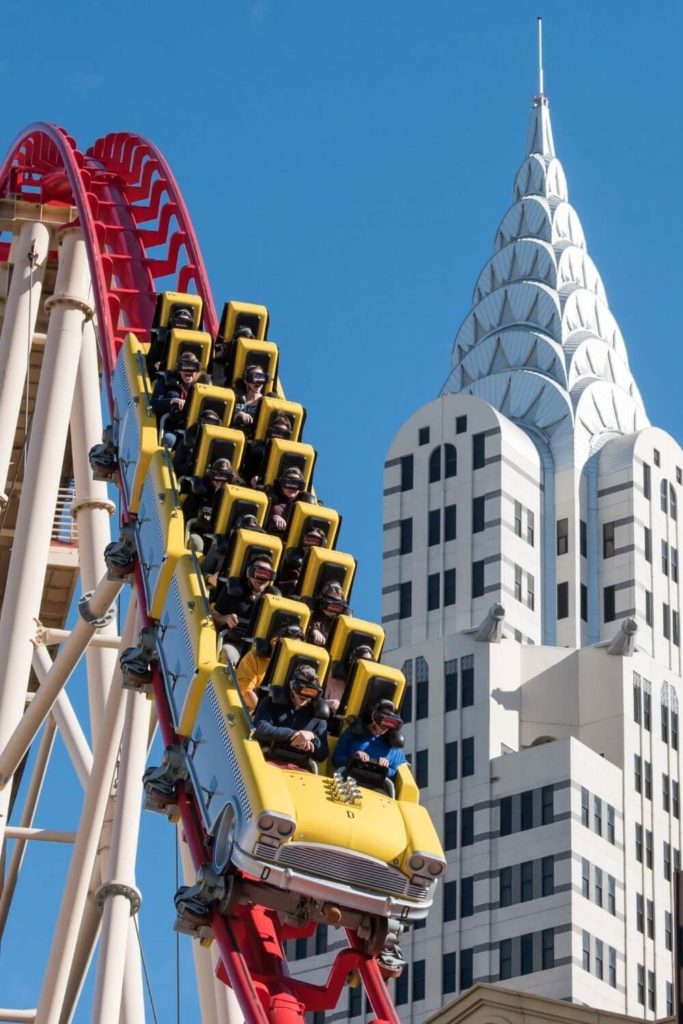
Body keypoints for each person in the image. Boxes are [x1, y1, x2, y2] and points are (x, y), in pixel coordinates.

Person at [253, 664, 328, 766]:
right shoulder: (270, 703)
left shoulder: (317, 716)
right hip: (267, 761)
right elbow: (260, 729)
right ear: (291, 684)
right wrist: (294, 735)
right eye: (302, 687)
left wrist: (312, 737)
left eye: (310, 691)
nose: (304, 695)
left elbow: (323, 754)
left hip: (299, 770)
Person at [212, 556, 281, 663]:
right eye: (257, 573)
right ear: (249, 573)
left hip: (258, 653)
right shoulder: (233, 590)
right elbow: (215, 616)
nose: (261, 579)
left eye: (266, 575)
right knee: (230, 657)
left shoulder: (274, 599)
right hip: (234, 643)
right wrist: (226, 618)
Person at [236, 623, 306, 710]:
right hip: (254, 711)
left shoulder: (304, 669)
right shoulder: (253, 658)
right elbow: (245, 691)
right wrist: (262, 712)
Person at [332, 698, 406, 779]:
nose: (385, 726)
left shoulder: (393, 747)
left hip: (375, 788)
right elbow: (336, 759)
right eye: (383, 719)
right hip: (348, 781)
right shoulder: (354, 733)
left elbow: (396, 772)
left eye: (390, 723)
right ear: (374, 716)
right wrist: (353, 757)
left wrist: (386, 768)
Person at [181, 457, 242, 552]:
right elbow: (186, 516)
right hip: (203, 534)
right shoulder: (199, 491)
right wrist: (200, 519)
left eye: (225, 477)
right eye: (218, 475)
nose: (221, 481)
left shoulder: (237, 495)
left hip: (224, 541)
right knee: (196, 542)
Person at [150, 350, 202, 446]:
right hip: (172, 426)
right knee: (169, 440)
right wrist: (172, 401)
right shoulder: (166, 381)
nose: (189, 372)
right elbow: (154, 403)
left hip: (193, 430)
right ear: (179, 369)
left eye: (192, 368)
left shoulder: (202, 386)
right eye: (185, 368)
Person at [276, 524, 327, 596]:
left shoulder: (322, 569)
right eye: (309, 540)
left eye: (315, 541)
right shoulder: (290, 560)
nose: (311, 545)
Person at [146, 305, 195, 379]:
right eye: (179, 322)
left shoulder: (195, 343)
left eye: (185, 323)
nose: (182, 326)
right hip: (165, 379)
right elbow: (150, 364)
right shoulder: (163, 339)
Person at [172, 407, 223, 478]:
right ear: (199, 423)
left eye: (214, 424)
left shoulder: (221, 445)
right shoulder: (186, 441)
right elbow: (176, 468)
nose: (209, 426)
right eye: (207, 423)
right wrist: (193, 463)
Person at [325, 642, 374, 714]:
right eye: (362, 662)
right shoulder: (332, 682)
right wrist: (329, 703)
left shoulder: (370, 688)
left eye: (369, 662)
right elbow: (315, 702)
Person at [266, 467, 314, 534]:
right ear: (282, 485)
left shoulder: (306, 502)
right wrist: (272, 517)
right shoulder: (270, 496)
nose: (292, 487)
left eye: (296, 484)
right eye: (288, 483)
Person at [231, 363, 269, 437]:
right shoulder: (235, 399)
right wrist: (237, 416)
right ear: (246, 381)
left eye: (261, 377)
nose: (258, 381)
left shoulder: (266, 403)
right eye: (254, 377)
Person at [307, 580, 348, 647]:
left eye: (337, 608)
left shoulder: (338, 623)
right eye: (330, 605)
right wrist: (314, 630)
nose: (332, 611)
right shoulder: (311, 613)